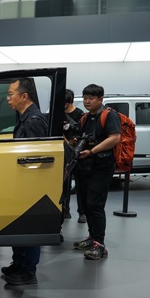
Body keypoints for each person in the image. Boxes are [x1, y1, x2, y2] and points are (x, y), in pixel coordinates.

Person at [1, 78, 47, 286]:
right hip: (21, 181)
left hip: (30, 183)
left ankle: (28, 270)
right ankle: (19, 263)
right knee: (19, 224)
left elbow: (37, 157)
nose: (8, 98)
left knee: (29, 225)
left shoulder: (34, 120)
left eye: (11, 94)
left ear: (24, 96)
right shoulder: (24, 118)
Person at [72, 84, 121, 260]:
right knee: (86, 204)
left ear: (100, 99)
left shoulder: (109, 115)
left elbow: (115, 138)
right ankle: (92, 237)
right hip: (85, 165)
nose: (87, 101)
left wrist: (92, 151)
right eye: (85, 98)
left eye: (91, 98)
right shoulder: (85, 118)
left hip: (101, 166)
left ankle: (100, 245)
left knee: (95, 205)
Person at [63, 89, 85, 222]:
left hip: (78, 152)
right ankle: (65, 210)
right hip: (65, 152)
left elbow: (83, 133)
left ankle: (82, 212)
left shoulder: (80, 115)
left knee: (80, 183)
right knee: (65, 182)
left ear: (68, 102)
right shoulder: (60, 114)